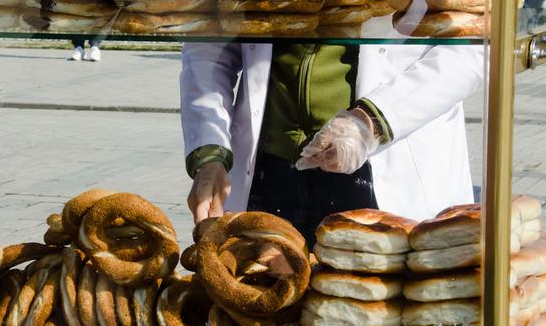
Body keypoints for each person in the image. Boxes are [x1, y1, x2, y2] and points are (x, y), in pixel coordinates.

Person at [180, 42, 484, 245]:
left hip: (387, 165)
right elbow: (207, 48)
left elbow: (474, 48)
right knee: (262, 322)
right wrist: (210, 151)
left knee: (376, 321)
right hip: (267, 171)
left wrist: (371, 121)